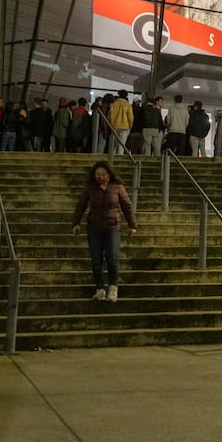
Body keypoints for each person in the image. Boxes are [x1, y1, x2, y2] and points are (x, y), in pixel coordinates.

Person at [71, 160, 137, 303]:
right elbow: (81, 205)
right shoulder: (90, 188)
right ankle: (100, 288)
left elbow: (127, 206)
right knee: (96, 259)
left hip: (113, 227)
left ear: (109, 174)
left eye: (103, 174)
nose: (100, 177)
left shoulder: (117, 187)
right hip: (94, 228)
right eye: (98, 174)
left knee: (112, 257)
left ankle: (113, 287)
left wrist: (132, 225)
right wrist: (76, 223)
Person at [107, 89, 133, 155]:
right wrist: (130, 126)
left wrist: (111, 125)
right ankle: (119, 160)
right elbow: (130, 117)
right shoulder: (128, 105)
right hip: (124, 127)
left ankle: (112, 160)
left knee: (114, 146)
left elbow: (109, 117)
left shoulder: (113, 104)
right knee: (121, 146)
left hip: (114, 126)